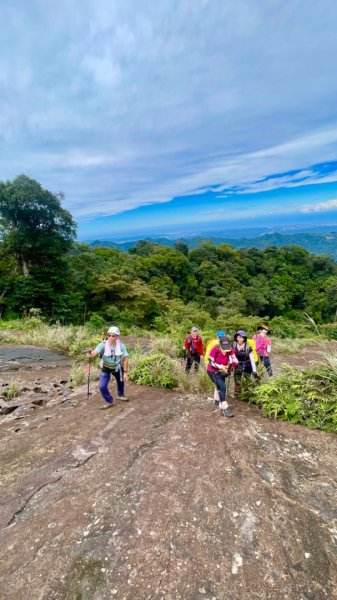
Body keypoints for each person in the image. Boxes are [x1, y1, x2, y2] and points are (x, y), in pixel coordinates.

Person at [87, 326, 129, 409]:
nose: (111, 337)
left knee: (121, 381)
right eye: (109, 335)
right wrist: (90, 354)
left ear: (117, 336)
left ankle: (120, 395)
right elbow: (94, 353)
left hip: (117, 367)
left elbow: (125, 359)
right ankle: (109, 401)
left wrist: (125, 372)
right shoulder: (102, 345)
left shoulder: (121, 346)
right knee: (102, 386)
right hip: (106, 367)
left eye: (113, 336)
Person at [207, 336, 238, 417]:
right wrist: (221, 366)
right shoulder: (215, 350)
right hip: (212, 371)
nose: (225, 349)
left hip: (223, 372)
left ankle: (217, 400)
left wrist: (232, 364)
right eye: (224, 347)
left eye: (227, 347)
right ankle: (224, 408)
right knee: (222, 386)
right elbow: (211, 362)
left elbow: (234, 359)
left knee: (220, 385)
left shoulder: (230, 349)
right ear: (220, 344)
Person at [232, 330, 258, 399]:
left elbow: (252, 360)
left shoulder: (248, 347)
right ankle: (237, 395)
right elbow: (231, 356)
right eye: (238, 337)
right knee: (237, 380)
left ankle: (246, 395)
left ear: (244, 338)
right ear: (236, 337)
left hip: (247, 365)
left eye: (242, 337)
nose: (240, 339)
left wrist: (254, 371)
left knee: (247, 380)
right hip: (237, 365)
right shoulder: (234, 345)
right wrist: (230, 365)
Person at [205, 330, 226, 404]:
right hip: (216, 365)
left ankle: (217, 399)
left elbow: (207, 354)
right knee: (220, 382)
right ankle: (218, 399)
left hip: (210, 365)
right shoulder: (219, 344)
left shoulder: (211, 342)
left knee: (218, 382)